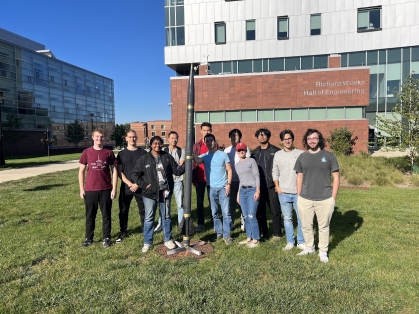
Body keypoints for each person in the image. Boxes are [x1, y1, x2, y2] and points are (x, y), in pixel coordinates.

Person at [131, 136, 185, 253]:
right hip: (150, 194)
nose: (158, 145)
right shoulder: (144, 159)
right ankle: (147, 242)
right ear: (151, 145)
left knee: (166, 216)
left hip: (165, 192)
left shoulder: (167, 157)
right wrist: (144, 185)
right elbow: (135, 174)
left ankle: (167, 239)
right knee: (149, 218)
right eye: (155, 143)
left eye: (160, 143)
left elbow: (176, 170)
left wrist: (187, 164)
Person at [294, 128, 340, 263]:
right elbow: (299, 178)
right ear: (306, 141)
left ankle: (323, 251)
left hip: (325, 198)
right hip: (305, 198)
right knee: (306, 226)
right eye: (309, 139)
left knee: (323, 226)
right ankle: (310, 247)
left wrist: (333, 198)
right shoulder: (302, 157)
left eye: (314, 138)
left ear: (319, 139)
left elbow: (336, 178)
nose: (312, 141)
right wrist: (299, 196)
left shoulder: (329, 156)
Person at [78, 129, 117, 248]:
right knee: (90, 215)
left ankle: (106, 237)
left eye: (101, 136)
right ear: (93, 137)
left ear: (104, 138)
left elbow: (114, 171)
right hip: (90, 189)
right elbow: (81, 171)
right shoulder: (86, 152)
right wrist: (81, 189)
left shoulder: (108, 152)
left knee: (106, 215)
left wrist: (114, 188)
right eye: (97, 136)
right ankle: (89, 238)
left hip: (106, 189)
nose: (99, 139)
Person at [194, 134, 233, 245]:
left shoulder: (223, 154)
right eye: (207, 141)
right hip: (212, 188)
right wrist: (190, 152)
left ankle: (227, 235)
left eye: (211, 140)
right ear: (205, 143)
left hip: (223, 187)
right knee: (214, 213)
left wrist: (228, 184)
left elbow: (229, 170)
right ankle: (219, 232)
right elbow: (196, 160)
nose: (210, 142)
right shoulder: (205, 156)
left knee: (226, 213)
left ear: (214, 142)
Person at [272, 129, 306, 251]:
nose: (287, 141)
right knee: (287, 218)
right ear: (281, 141)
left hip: (298, 193)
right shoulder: (278, 155)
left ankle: (301, 241)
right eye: (285, 139)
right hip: (284, 192)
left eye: (289, 138)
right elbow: (275, 171)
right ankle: (290, 241)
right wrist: (277, 187)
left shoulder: (301, 154)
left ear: (292, 139)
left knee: (301, 218)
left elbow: (305, 172)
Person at [251, 128, 283, 240]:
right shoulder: (254, 153)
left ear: (268, 136)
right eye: (259, 135)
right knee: (260, 211)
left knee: (275, 210)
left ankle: (277, 233)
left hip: (272, 185)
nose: (261, 136)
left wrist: (279, 184)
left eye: (264, 135)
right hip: (259, 187)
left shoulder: (276, 151)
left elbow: (281, 169)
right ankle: (263, 233)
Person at [116, 129, 147, 243]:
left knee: (143, 210)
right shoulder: (121, 154)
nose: (132, 139)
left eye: (134, 137)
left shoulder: (143, 153)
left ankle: (146, 231)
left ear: (136, 138)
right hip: (126, 188)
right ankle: (123, 231)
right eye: (130, 137)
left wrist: (138, 184)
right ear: (126, 138)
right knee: (123, 210)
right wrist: (130, 184)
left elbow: (146, 171)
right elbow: (119, 172)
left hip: (140, 187)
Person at [154, 131, 185, 231]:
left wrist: (169, 166)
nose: (174, 140)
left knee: (180, 204)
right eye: (172, 138)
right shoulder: (163, 151)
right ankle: (161, 223)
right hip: (165, 183)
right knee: (164, 203)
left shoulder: (181, 151)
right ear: (168, 139)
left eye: (176, 138)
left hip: (178, 181)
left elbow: (179, 167)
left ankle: (181, 224)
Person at [224, 128, 251, 231]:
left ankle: (244, 222)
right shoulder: (227, 150)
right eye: (232, 136)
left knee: (242, 202)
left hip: (243, 180)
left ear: (240, 137)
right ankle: (230, 223)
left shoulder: (245, 148)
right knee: (230, 203)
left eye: (236, 136)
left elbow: (248, 163)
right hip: (231, 181)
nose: (234, 137)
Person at [192, 122, 217, 232]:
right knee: (200, 202)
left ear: (211, 131)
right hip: (200, 179)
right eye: (204, 130)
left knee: (213, 201)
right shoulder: (196, 145)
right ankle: (201, 223)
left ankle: (214, 222)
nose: (206, 132)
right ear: (201, 131)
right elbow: (193, 163)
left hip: (212, 179)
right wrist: (194, 178)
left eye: (208, 130)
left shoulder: (214, 145)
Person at [235, 142, 260, 248]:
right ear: (237, 152)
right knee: (245, 216)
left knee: (251, 215)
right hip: (243, 191)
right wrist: (238, 193)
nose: (241, 152)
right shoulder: (237, 165)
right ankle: (248, 237)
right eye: (239, 150)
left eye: (243, 150)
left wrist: (257, 190)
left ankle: (256, 239)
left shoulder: (251, 161)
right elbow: (241, 181)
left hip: (252, 190)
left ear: (245, 151)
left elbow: (257, 176)